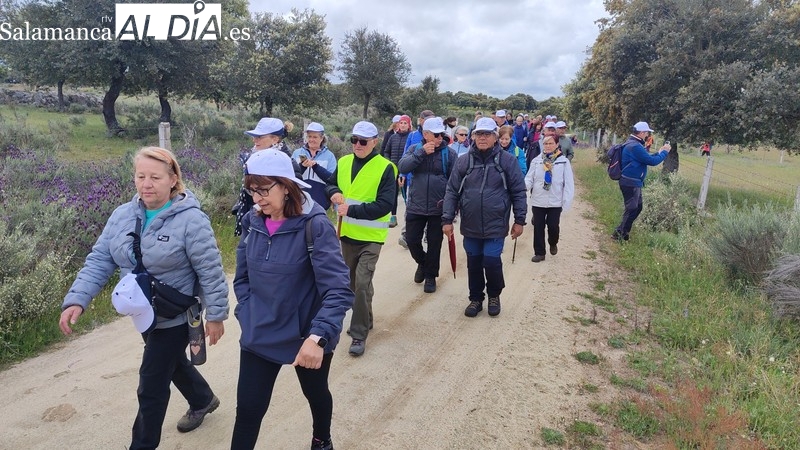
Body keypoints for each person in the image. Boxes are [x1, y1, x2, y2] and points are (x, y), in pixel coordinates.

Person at [59, 147, 229, 450]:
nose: (146, 184)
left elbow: (210, 269)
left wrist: (215, 315)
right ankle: (202, 399)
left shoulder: (192, 220)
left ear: (173, 180)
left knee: (151, 384)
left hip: (177, 315)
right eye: (140, 176)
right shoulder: (122, 216)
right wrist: (77, 299)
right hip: (143, 313)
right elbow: (100, 260)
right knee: (170, 362)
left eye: (155, 177)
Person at [231, 149, 354, 450]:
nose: (257, 198)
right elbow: (242, 278)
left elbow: (338, 289)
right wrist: (247, 312)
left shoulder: (314, 226)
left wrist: (318, 337)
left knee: (316, 393)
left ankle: (322, 440)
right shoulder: (251, 222)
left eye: (263, 189)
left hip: (305, 334)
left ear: (286, 186)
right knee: (248, 410)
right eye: (252, 190)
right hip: (261, 331)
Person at [441, 117, 527, 318]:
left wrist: (519, 220)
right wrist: (447, 219)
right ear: (473, 136)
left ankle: (494, 295)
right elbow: (452, 191)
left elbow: (518, 192)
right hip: (470, 223)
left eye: (487, 134)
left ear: (495, 137)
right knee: (474, 262)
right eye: (479, 134)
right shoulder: (464, 161)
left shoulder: (508, 161)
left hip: (496, 223)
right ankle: (476, 298)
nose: (482, 138)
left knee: (491, 260)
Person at [326, 121, 398, 356]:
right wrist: (334, 193)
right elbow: (330, 184)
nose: (357, 145)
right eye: (354, 140)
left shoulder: (386, 168)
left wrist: (352, 210)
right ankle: (366, 317)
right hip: (347, 235)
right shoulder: (344, 162)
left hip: (371, 238)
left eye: (363, 141)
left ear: (374, 142)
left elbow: (385, 205)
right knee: (353, 283)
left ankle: (358, 334)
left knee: (362, 284)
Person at [398, 117, 457, 293]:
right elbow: (403, 167)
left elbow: (455, 182)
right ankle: (423, 263)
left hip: (438, 206)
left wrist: (453, 208)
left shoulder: (449, 154)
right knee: (411, 240)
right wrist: (421, 153)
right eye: (436, 135)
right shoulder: (414, 149)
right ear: (425, 134)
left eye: (441, 135)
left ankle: (431, 276)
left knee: (434, 243)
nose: (439, 138)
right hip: (416, 204)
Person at [233, 117, 301, 236]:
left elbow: (294, 197)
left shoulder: (287, 164)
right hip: (254, 219)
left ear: (275, 139)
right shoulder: (253, 159)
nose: (254, 140)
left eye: (259, 136)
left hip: (275, 227)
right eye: (254, 136)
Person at [612, 121, 671, 241]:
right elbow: (652, 161)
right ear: (642, 133)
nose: (648, 135)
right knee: (632, 208)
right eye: (647, 133)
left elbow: (645, 158)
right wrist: (665, 152)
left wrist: (659, 153)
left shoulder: (633, 144)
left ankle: (622, 232)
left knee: (637, 207)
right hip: (631, 182)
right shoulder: (635, 146)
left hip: (632, 181)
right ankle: (620, 234)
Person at [525, 135, 575, 262]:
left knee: (553, 226)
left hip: (555, 201)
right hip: (538, 200)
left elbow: (568, 183)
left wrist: (566, 201)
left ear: (557, 144)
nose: (547, 146)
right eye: (545, 143)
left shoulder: (563, 162)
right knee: (538, 227)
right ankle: (539, 252)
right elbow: (529, 178)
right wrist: (522, 188)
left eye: (551, 143)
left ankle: (553, 242)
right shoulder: (536, 161)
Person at [292, 122, 337, 211]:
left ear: (322, 138)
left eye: (315, 137)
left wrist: (316, 167)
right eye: (309, 136)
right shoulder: (297, 153)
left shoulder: (330, 156)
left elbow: (332, 179)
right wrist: (302, 167)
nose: (311, 139)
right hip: (298, 202)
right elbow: (291, 176)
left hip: (320, 205)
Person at [382, 114, 412, 228]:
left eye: (405, 123)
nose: (403, 125)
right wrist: (388, 162)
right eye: (401, 123)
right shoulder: (393, 137)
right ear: (398, 124)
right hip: (393, 170)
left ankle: (409, 217)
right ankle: (393, 217)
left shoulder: (411, 137)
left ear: (409, 125)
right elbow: (386, 151)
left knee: (406, 195)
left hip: (407, 171)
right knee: (393, 194)